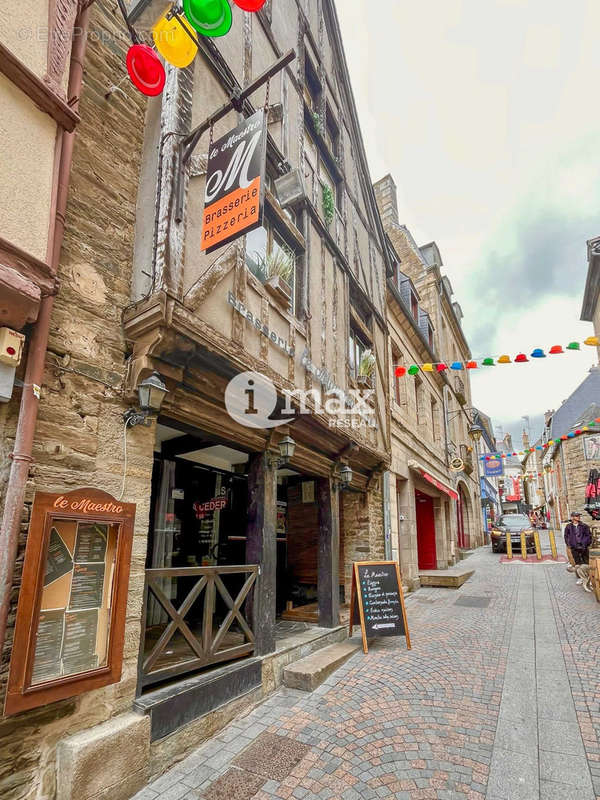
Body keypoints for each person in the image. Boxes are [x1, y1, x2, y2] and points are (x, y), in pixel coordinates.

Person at [564, 512, 592, 582]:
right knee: (577, 563)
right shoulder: (568, 527)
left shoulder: (584, 526)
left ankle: (588, 578)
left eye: (579, 516)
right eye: (576, 516)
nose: (578, 517)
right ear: (572, 517)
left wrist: (585, 543)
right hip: (574, 547)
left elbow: (588, 536)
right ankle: (580, 578)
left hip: (583, 547)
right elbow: (566, 536)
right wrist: (569, 544)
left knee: (586, 563)